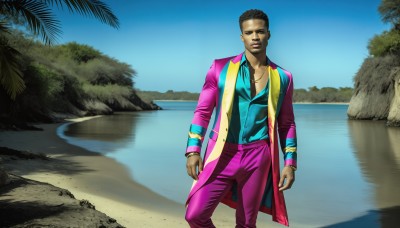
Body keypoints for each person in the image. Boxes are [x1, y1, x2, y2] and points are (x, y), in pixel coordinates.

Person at [184, 9, 297, 228]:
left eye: (260, 31)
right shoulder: (220, 68)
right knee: (195, 215)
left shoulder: (283, 77)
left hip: (258, 156)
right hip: (222, 153)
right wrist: (193, 150)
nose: (255, 37)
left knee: (246, 223)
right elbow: (203, 111)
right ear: (241, 36)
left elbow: (286, 123)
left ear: (268, 34)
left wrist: (290, 163)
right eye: (249, 32)